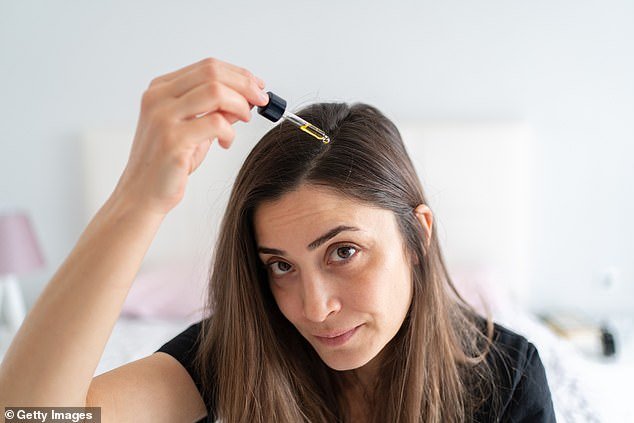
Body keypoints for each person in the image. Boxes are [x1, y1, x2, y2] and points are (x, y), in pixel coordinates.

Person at [0, 58, 555, 422]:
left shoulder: (506, 378)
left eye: (344, 252)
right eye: (281, 266)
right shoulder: (235, 354)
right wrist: (137, 200)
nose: (314, 308)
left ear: (418, 237)